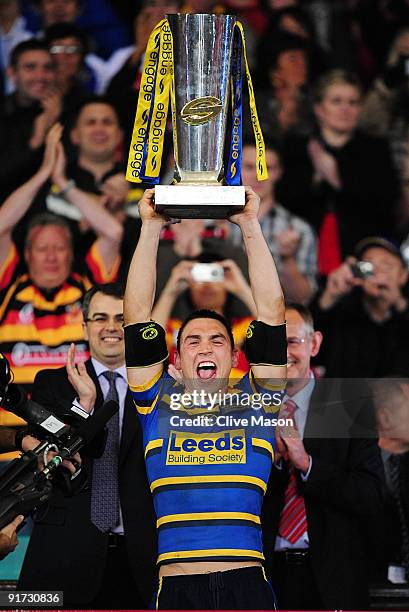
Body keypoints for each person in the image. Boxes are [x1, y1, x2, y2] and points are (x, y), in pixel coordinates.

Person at [124, 186, 287, 609]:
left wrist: (250, 225)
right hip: (177, 589)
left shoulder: (259, 402)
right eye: (193, 341)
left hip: (246, 584)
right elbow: (137, 316)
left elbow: (272, 314)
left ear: (236, 357)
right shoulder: (154, 401)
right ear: (176, 359)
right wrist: (149, 228)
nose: (206, 347)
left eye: (218, 340)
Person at [18, 283, 157, 609]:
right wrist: (84, 407)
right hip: (65, 553)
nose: (111, 327)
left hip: (141, 558)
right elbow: (50, 461)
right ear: (84, 326)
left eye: (122, 318)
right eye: (100, 318)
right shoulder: (51, 384)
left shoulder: (161, 388)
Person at [261, 303, 385, 610]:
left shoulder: (348, 405)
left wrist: (307, 465)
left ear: (314, 343)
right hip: (266, 578)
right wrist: (275, 464)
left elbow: (371, 495)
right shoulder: (249, 408)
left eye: (291, 341)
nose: (282, 353)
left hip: (333, 582)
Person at [0, 124, 122, 388]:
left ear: (71, 253)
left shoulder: (89, 289)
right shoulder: (8, 287)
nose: (52, 257)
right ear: (27, 255)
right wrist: (44, 173)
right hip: (9, 426)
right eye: (43, 249)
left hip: (75, 425)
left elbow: (113, 232)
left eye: (60, 248)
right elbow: (2, 225)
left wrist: (62, 183)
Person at [276, 69, 399, 273]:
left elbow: (387, 203)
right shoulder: (295, 147)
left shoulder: (376, 150)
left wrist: (337, 179)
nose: (345, 109)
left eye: (353, 102)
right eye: (336, 101)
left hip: (362, 252)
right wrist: (315, 177)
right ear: (319, 108)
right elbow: (283, 198)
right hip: (302, 254)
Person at [230, 140, 317, 303]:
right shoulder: (214, 223)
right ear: (235, 169)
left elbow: (303, 299)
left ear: (279, 172)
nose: (259, 175)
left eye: (267, 168)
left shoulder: (298, 229)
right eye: (250, 167)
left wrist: (288, 258)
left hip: (274, 321)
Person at [311, 236, 409, 377]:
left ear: (403, 275)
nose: (377, 272)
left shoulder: (403, 317)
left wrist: (399, 303)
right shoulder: (342, 313)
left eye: (387, 265)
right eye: (368, 265)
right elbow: (308, 347)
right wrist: (331, 294)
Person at [152, 254, 256, 377]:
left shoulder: (247, 326)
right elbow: (147, 346)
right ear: (189, 285)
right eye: (200, 276)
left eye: (214, 275)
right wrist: (170, 292)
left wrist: (242, 289)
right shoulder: (173, 327)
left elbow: (276, 333)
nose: (207, 285)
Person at [0, 39, 61, 201]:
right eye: (30, 67)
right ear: (12, 73)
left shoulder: (71, 110)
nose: (40, 76)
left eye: (47, 68)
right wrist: (36, 140)